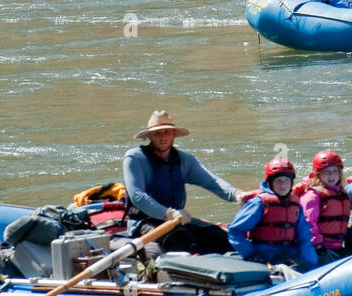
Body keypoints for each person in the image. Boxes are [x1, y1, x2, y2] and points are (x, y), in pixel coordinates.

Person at [122, 110, 246, 255]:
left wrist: (236, 194)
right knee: (182, 240)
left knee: (220, 237)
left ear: (174, 134)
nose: (163, 137)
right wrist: (168, 213)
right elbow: (138, 196)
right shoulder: (135, 158)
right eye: (157, 133)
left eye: (167, 132)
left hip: (177, 220)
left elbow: (212, 181)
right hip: (144, 222)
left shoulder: (184, 160)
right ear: (149, 136)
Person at [227, 157, 318, 270]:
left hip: (288, 253)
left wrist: (313, 265)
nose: (283, 185)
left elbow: (304, 238)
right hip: (265, 254)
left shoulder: (295, 205)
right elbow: (235, 231)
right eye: (278, 181)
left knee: (307, 266)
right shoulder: (259, 203)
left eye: (286, 181)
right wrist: (251, 255)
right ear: (270, 183)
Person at [295, 150, 351, 263]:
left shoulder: (342, 194)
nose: (331, 175)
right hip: (318, 249)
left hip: (336, 247)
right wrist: (319, 248)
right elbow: (308, 224)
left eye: (335, 171)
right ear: (318, 174)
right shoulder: (312, 196)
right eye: (326, 172)